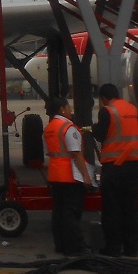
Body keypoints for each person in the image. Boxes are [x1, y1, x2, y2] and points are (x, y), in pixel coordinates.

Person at [45, 94, 95, 256]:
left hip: (55, 174)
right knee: (71, 213)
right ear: (62, 109)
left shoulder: (49, 128)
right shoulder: (68, 127)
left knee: (58, 213)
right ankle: (75, 247)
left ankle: (60, 245)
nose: (70, 110)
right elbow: (76, 154)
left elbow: (50, 152)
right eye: (68, 107)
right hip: (70, 176)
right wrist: (86, 176)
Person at [96, 82, 138, 256]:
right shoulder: (133, 110)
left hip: (114, 167)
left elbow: (101, 134)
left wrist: (92, 129)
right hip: (133, 165)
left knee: (112, 209)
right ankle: (131, 249)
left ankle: (113, 248)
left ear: (104, 98)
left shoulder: (107, 111)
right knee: (131, 209)